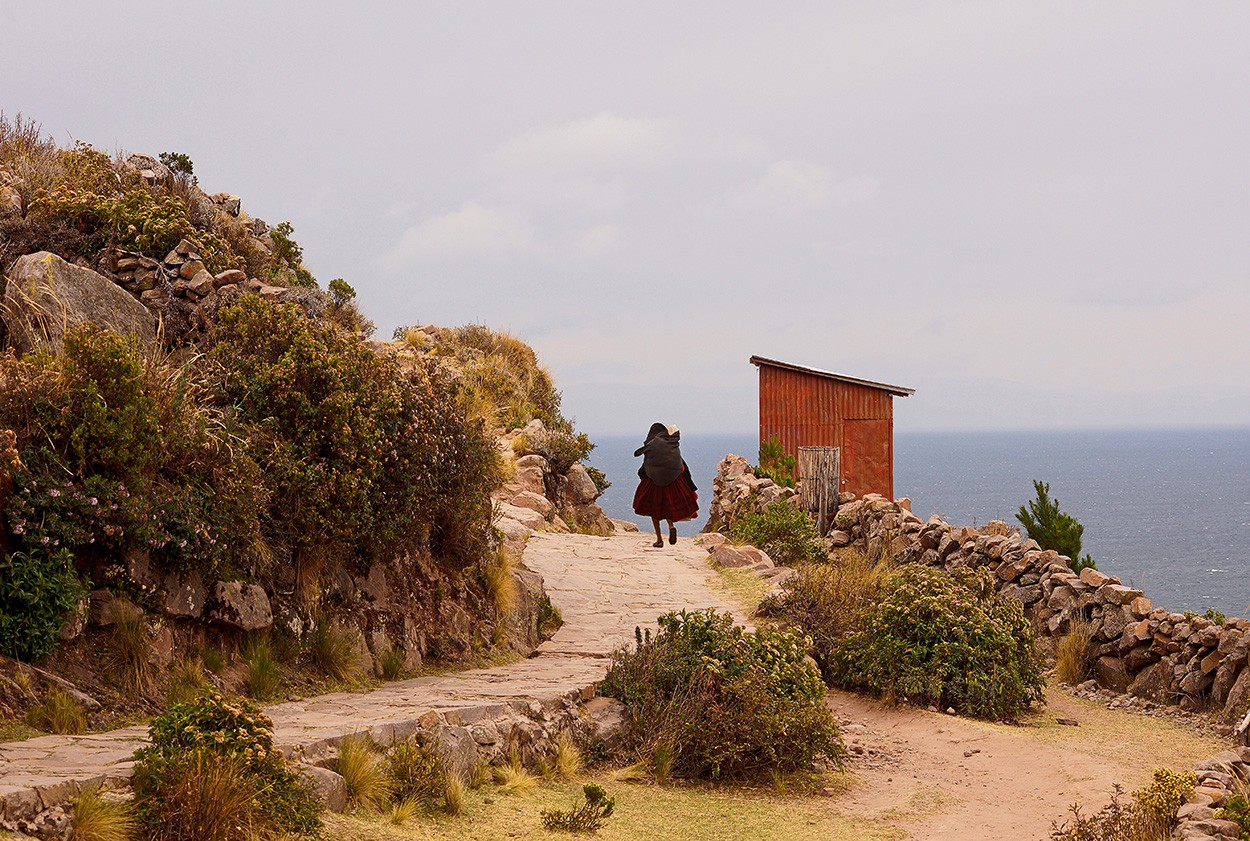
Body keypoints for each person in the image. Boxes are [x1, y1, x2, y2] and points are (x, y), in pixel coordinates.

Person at [632, 422, 699, 547]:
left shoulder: (652, 445)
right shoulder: (672, 446)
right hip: (672, 483)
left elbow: (646, 466)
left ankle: (659, 540)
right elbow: (682, 466)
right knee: (668, 508)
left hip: (654, 483)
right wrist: (690, 485)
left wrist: (641, 475)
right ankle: (671, 526)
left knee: (654, 511)